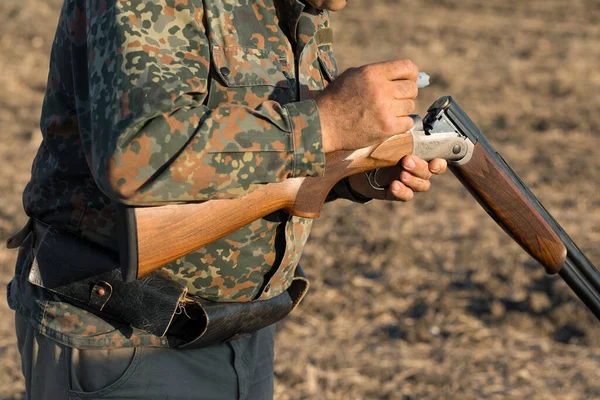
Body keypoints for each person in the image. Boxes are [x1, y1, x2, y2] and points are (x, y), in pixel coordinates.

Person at [6, 0, 448, 398]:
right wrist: (326, 123)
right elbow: (134, 156)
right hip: (121, 346)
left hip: (241, 337)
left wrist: (357, 171)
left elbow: (257, 155)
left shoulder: (303, 8)